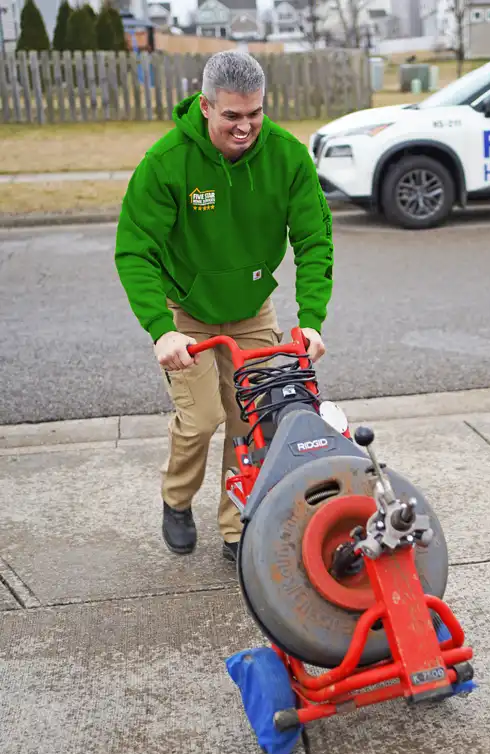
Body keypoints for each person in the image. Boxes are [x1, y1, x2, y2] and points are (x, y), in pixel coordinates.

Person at [114, 49, 333, 563]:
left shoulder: (286, 156)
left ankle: (237, 525)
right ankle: (176, 500)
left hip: (252, 309)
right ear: (207, 106)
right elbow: (134, 249)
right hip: (186, 312)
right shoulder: (168, 163)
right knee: (203, 418)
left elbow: (315, 239)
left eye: (254, 113)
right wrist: (159, 328)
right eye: (232, 115)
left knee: (252, 419)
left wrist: (312, 319)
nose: (245, 126)